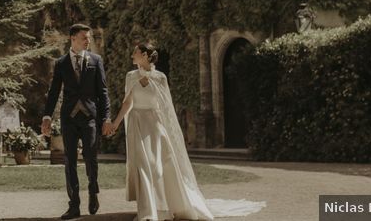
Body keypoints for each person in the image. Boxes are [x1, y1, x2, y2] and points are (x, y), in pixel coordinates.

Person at [107, 43, 264, 221]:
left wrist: (171, 132)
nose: (132, 56)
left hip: (155, 125)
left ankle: (163, 208)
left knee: (157, 167)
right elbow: (127, 103)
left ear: (144, 55)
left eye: (135, 53)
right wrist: (115, 124)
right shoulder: (130, 76)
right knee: (143, 165)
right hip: (137, 124)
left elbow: (167, 108)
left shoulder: (160, 78)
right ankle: (148, 213)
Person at [41, 23, 112, 220]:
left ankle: (92, 192)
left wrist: (106, 117)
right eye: (84, 38)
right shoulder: (61, 63)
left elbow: (103, 92)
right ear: (73, 38)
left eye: (88, 38)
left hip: (90, 118)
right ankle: (74, 205)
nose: (88, 41)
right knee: (69, 161)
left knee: (91, 158)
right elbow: (54, 91)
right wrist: (47, 116)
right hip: (69, 119)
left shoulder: (96, 61)